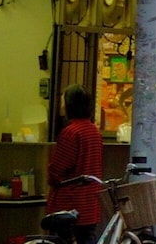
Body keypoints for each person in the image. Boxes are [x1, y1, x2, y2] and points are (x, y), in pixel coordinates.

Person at [48, 86, 105, 244]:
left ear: (70, 105)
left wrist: (51, 178)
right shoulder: (94, 132)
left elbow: (58, 168)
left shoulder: (70, 132)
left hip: (69, 204)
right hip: (90, 204)